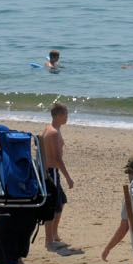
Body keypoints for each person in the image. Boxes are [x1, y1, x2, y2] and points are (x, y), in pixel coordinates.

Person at [41, 103, 78, 254]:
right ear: (57, 115)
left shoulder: (50, 129)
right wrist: (68, 177)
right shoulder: (54, 132)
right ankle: (49, 242)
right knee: (52, 206)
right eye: (65, 114)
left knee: (61, 201)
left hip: (49, 171)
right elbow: (57, 159)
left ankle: (54, 235)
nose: (67, 117)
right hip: (51, 172)